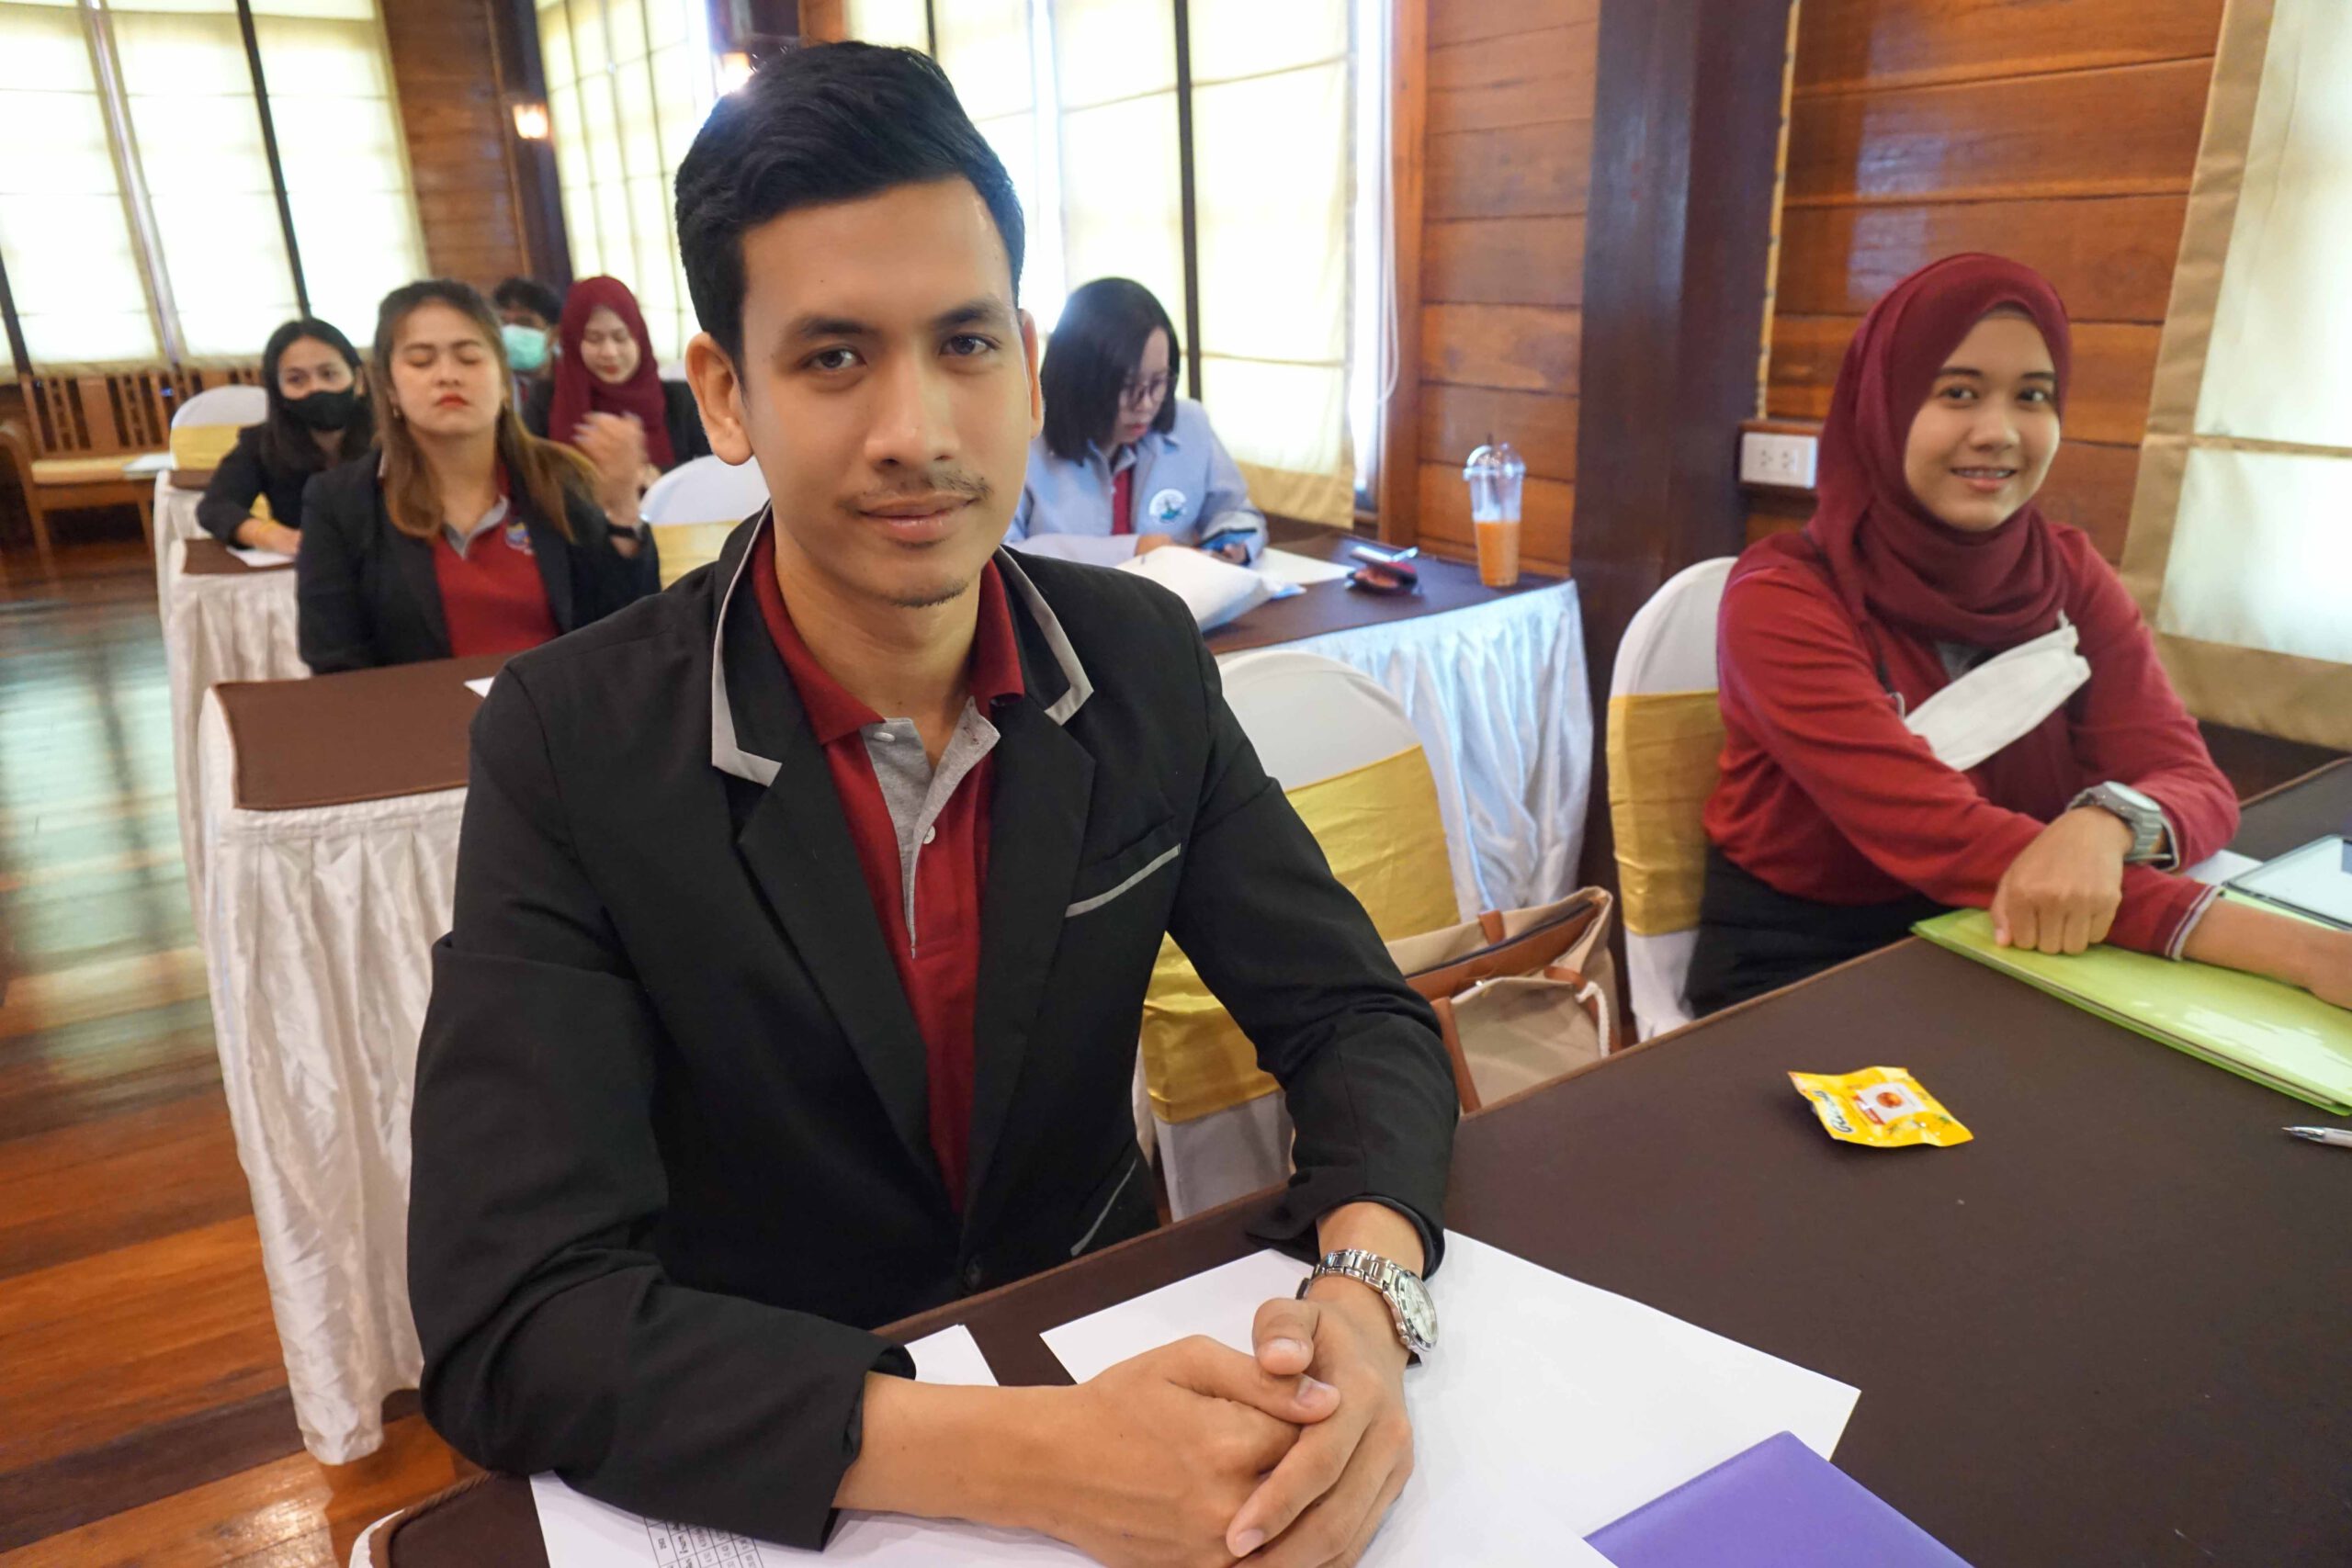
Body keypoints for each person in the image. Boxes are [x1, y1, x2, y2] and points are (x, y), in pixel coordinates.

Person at [409, 41, 1455, 1568]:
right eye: (835, 357)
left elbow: (1354, 1018)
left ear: (1025, 362)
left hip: (1106, 1338)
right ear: (727, 394)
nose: (919, 428)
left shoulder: (1137, 660)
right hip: (774, 1444)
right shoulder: (572, 741)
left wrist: (1365, 1300)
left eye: (965, 343)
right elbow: (513, 1317)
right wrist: (1034, 1456)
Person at [1689, 253, 2352, 1017]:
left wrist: (2104, 823)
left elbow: (2192, 779)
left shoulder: (2066, 571)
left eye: (2033, 396)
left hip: (2017, 932)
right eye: (1958, 392)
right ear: (1884, 405)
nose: (1999, 432)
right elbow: (1946, 836)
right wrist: (2303, 951)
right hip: (1810, 964)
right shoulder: (1784, 596)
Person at [295, 279, 657, 674]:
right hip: (419, 711)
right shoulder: (340, 502)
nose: (447, 375)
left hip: (559, 704)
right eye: (421, 361)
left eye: (469, 358)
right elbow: (333, 660)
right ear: (391, 389)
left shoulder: (559, 477)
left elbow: (626, 633)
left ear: (504, 382)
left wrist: (622, 504)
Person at [1006, 276, 1265, 563]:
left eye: (1158, 382)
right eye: (1127, 385)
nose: (1146, 404)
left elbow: (1236, 511)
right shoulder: (1023, 441)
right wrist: (1134, 550)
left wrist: (1233, 542)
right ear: (1079, 380)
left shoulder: (1190, 423)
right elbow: (1003, 555)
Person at [197, 319, 375, 555]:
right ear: (278, 391)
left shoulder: (395, 437)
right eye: (296, 380)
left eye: (329, 374)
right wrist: (270, 535)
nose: (315, 388)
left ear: (358, 381)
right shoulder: (261, 443)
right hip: (308, 565)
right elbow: (216, 506)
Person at [523, 275, 713, 491]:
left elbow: (711, 472)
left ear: (639, 338)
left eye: (621, 337)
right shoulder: (545, 400)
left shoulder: (680, 400)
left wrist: (654, 474)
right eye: (594, 339)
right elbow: (530, 477)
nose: (609, 352)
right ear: (574, 342)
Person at [492, 276, 563, 401]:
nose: (511, 332)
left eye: (524, 323)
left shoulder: (577, 380)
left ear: (554, 334)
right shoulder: (489, 382)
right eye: (503, 323)